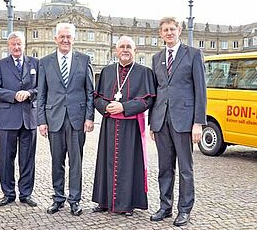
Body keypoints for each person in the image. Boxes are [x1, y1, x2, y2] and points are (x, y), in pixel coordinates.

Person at [149, 17, 207, 226]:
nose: (169, 33)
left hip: (184, 121)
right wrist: (152, 124)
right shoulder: (156, 58)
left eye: (172, 29)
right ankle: (165, 207)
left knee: (185, 168)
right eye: (165, 30)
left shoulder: (193, 54)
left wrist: (198, 123)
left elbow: (200, 90)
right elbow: (155, 92)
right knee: (165, 168)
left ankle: (184, 210)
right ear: (160, 33)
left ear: (179, 30)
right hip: (162, 121)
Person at [91, 36, 156, 216]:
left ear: (135, 51)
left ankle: (128, 204)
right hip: (110, 124)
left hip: (131, 127)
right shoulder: (107, 71)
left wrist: (124, 107)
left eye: (129, 47)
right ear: (116, 50)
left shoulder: (144, 72)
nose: (125, 50)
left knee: (130, 165)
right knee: (106, 162)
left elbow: (148, 99)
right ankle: (104, 201)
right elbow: (96, 97)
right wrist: (106, 107)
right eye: (122, 47)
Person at [37, 22, 95, 216]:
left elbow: (89, 92)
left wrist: (89, 117)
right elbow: (41, 94)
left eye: (68, 37)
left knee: (76, 162)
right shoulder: (45, 62)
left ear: (73, 39)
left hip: (77, 119)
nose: (65, 40)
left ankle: (75, 200)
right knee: (57, 161)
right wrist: (41, 121)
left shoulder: (84, 60)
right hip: (54, 118)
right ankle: (58, 198)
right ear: (56, 39)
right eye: (62, 36)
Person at [0, 31, 38, 207]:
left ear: (24, 45)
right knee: (6, 158)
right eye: (13, 44)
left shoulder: (35, 63)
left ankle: (26, 194)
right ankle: (8, 193)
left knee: (27, 158)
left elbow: (42, 88)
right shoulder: (1, 65)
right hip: (8, 118)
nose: (16, 47)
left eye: (19, 44)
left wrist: (30, 93)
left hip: (29, 118)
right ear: (8, 46)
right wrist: (13, 95)